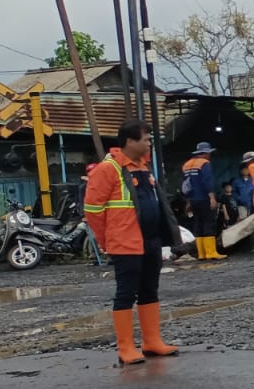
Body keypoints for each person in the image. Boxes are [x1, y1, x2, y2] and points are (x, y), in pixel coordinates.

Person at [84, 120, 187, 365]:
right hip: (124, 243)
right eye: (145, 139)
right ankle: (126, 348)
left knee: (149, 290)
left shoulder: (143, 168)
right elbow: (92, 210)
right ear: (129, 141)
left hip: (149, 240)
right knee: (126, 293)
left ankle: (152, 341)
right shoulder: (108, 169)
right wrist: (106, 240)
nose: (149, 143)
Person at [179, 141, 223, 262]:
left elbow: (185, 185)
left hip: (193, 200)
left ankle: (202, 254)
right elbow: (207, 182)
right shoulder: (204, 163)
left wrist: (188, 202)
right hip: (204, 198)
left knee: (198, 224)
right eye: (209, 153)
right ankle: (211, 252)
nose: (210, 156)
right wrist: (212, 198)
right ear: (205, 153)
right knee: (209, 223)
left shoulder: (186, 165)